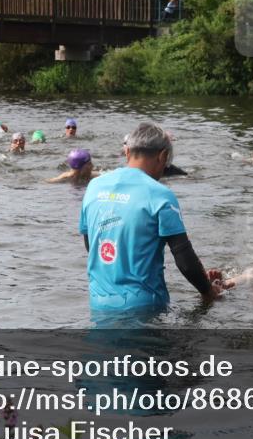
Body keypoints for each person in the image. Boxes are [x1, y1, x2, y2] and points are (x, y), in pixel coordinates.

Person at [79, 122, 228, 312]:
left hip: (98, 303)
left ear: (127, 152)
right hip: (144, 307)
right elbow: (184, 259)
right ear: (163, 156)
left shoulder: (94, 187)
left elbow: (91, 245)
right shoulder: (161, 195)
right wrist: (208, 292)